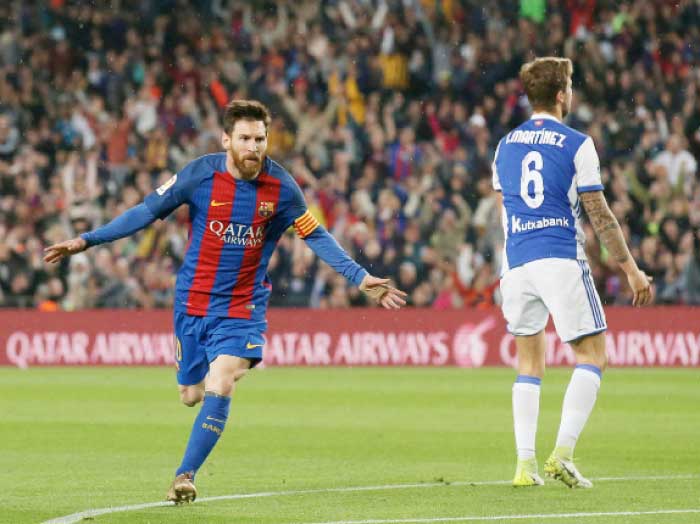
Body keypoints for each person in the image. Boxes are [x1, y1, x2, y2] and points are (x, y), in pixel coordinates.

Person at [44, 100, 407, 503]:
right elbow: (145, 212)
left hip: (242, 308)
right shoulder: (199, 175)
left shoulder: (282, 188)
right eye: (246, 139)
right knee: (191, 395)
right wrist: (86, 240)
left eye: (261, 139)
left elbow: (314, 234)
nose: (254, 147)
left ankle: (185, 475)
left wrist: (359, 276)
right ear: (226, 140)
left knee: (222, 381)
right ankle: (213, 380)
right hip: (192, 304)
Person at [492, 58, 653, 488]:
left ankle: (524, 466)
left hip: (516, 262)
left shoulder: (504, 145)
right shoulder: (576, 143)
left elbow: (504, 210)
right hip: (559, 255)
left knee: (529, 362)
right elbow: (599, 214)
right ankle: (562, 454)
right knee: (592, 355)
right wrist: (632, 270)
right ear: (562, 95)